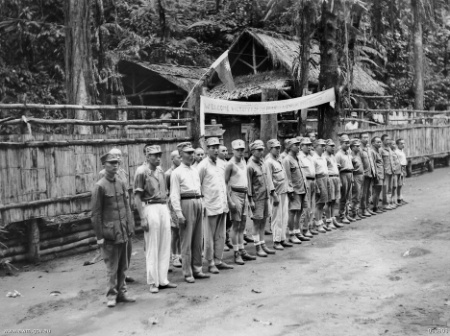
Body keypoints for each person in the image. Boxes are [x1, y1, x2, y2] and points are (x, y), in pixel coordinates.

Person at [91, 153, 135, 308]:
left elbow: (126, 206)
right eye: (111, 163)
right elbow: (96, 214)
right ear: (104, 165)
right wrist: (99, 237)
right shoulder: (100, 186)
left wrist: (130, 226)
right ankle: (111, 295)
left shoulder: (121, 182)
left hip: (123, 230)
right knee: (112, 266)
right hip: (109, 233)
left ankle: (122, 293)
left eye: (117, 162)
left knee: (123, 265)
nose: (115, 165)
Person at [134, 145, 177, 294]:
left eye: (159, 155)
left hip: (162, 206)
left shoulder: (160, 171)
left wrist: (168, 213)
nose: (158, 158)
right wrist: (142, 218)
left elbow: (165, 193)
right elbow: (137, 197)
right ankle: (153, 282)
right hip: (150, 207)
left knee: (165, 243)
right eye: (154, 155)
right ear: (147, 156)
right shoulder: (141, 172)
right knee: (153, 245)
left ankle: (163, 279)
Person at [170, 142, 209, 283]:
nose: (191, 155)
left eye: (192, 152)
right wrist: (179, 214)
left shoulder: (195, 170)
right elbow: (174, 195)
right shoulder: (176, 173)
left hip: (198, 202)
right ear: (180, 155)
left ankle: (197, 268)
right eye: (188, 153)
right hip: (186, 203)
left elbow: (199, 189)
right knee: (186, 239)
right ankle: (187, 272)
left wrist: (202, 205)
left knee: (198, 238)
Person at [97, 147, 134, 283]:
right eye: (115, 156)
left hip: (124, 214)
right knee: (114, 251)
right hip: (112, 219)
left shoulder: (123, 173)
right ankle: (117, 279)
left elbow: (127, 193)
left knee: (127, 247)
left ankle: (124, 273)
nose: (118, 158)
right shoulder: (103, 174)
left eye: (119, 156)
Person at [197, 137, 234, 274]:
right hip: (209, 205)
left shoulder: (222, 164)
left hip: (221, 203)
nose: (215, 149)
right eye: (212, 147)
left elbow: (225, 184)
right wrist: (203, 204)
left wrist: (228, 201)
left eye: (217, 147)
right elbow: (198, 186)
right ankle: (210, 262)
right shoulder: (202, 166)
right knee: (209, 236)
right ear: (207, 149)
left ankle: (218, 259)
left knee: (221, 235)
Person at [225, 139, 256, 265]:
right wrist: (229, 201)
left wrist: (249, 197)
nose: (240, 152)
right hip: (235, 194)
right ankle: (236, 252)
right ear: (232, 150)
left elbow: (246, 181)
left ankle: (242, 250)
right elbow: (225, 183)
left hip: (244, 194)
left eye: (242, 149)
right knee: (236, 225)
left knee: (243, 224)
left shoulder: (243, 161)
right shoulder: (230, 164)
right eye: (237, 150)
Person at [247, 140, 278, 257]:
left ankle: (263, 244)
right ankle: (257, 246)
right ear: (253, 151)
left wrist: (273, 193)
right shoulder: (250, 166)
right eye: (259, 150)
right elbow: (249, 185)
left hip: (265, 197)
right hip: (256, 198)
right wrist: (250, 200)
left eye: (262, 150)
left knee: (263, 222)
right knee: (256, 223)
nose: (261, 152)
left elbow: (268, 179)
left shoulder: (262, 163)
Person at [265, 139, 290, 250]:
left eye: (279, 147)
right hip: (276, 193)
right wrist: (273, 194)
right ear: (270, 148)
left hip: (283, 191)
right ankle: (276, 240)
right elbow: (269, 180)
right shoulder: (268, 161)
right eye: (276, 148)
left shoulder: (278, 159)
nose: (278, 150)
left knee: (284, 217)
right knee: (277, 218)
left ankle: (282, 238)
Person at [283, 138, 309, 244]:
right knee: (292, 212)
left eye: (299, 145)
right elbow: (286, 177)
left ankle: (297, 231)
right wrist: (290, 190)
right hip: (294, 190)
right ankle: (291, 234)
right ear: (290, 146)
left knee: (300, 211)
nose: (298, 147)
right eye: (296, 145)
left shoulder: (298, 158)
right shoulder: (287, 160)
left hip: (302, 188)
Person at [165, 150, 182, 269]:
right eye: (177, 157)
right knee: (175, 231)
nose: (180, 159)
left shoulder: (183, 171)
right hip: (173, 204)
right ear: (172, 159)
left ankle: (181, 254)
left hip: (183, 202)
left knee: (182, 230)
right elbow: (167, 191)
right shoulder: (168, 174)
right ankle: (174, 256)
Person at [298, 137, 317, 236]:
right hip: (306, 182)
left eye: (310, 145)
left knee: (312, 205)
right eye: (307, 145)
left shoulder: (310, 156)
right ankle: (303, 229)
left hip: (313, 180)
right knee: (306, 206)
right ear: (301, 147)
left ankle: (309, 226)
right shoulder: (300, 157)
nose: (309, 147)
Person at [323, 139, 343, 230]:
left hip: (336, 178)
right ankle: (328, 221)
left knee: (335, 200)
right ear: (326, 147)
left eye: (334, 146)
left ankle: (333, 218)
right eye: (331, 146)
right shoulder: (324, 157)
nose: (333, 148)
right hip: (329, 178)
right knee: (329, 201)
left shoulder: (333, 156)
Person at [335, 134, 354, 224]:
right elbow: (337, 169)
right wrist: (339, 181)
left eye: (349, 143)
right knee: (343, 196)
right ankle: (342, 215)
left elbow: (351, 167)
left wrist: (352, 177)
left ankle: (347, 214)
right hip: (343, 175)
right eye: (346, 143)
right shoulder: (338, 155)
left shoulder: (348, 153)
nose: (348, 145)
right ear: (341, 143)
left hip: (349, 174)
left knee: (348, 197)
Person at [217, 145, 233, 251]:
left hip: (231, 192)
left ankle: (227, 238)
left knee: (229, 219)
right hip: (222, 194)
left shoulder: (227, 163)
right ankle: (222, 242)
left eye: (226, 150)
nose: (225, 152)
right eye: (223, 151)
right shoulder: (217, 164)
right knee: (223, 219)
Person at [312, 139, 329, 233]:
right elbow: (313, 173)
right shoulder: (314, 158)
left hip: (325, 178)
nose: (323, 148)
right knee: (319, 202)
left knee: (323, 202)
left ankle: (320, 221)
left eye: (324, 146)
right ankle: (317, 223)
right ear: (315, 147)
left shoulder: (323, 156)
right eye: (321, 146)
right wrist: (317, 186)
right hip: (319, 179)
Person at [360, 133, 377, 217]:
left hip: (370, 173)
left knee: (368, 192)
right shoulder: (359, 149)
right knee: (363, 193)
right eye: (364, 137)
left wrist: (374, 172)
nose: (366, 139)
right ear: (360, 139)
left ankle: (367, 208)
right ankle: (363, 209)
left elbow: (372, 161)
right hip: (364, 174)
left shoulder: (368, 149)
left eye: (367, 137)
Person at [349, 139, 364, 221]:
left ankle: (357, 211)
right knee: (356, 195)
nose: (358, 148)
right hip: (355, 176)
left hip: (361, 176)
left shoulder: (358, 155)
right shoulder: (351, 156)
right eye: (356, 146)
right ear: (352, 147)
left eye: (359, 146)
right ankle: (354, 212)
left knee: (360, 194)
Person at [369, 136, 384, 213]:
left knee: (379, 190)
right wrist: (376, 175)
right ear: (372, 143)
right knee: (376, 190)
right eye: (377, 142)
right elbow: (373, 164)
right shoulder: (372, 152)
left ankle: (377, 205)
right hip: (377, 174)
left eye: (380, 142)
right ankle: (375, 207)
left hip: (381, 173)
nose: (379, 143)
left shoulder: (378, 151)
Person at [380, 134, 395, 210]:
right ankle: (385, 204)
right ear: (382, 141)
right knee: (385, 188)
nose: (388, 141)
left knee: (390, 188)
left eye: (389, 139)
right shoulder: (381, 150)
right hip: (385, 171)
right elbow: (379, 161)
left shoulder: (389, 149)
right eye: (386, 140)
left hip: (391, 170)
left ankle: (389, 202)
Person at [394, 139, 408, 205]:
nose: (403, 145)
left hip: (403, 168)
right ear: (397, 145)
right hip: (399, 169)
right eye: (401, 144)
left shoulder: (402, 151)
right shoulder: (396, 152)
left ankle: (400, 197)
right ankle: (397, 199)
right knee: (398, 184)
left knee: (401, 184)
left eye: (404, 143)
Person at [390, 142, 402, 208]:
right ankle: (392, 200)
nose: (394, 145)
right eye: (393, 144)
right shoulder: (390, 153)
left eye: (395, 144)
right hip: (394, 172)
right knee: (393, 186)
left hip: (398, 171)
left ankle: (395, 200)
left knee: (397, 185)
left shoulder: (395, 152)